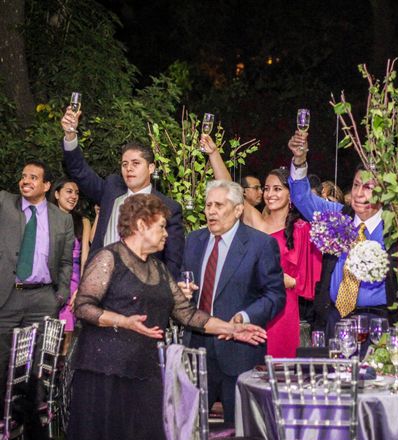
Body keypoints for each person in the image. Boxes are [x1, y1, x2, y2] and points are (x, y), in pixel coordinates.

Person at [59, 194, 267, 440]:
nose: (166, 234)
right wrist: (123, 321)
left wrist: (232, 329)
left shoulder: (157, 268)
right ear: (141, 225)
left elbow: (187, 313)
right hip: (105, 373)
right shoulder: (109, 257)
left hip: (144, 370)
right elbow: (82, 306)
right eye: (160, 227)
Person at [202, 135, 321, 357]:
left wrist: (282, 279)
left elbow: (308, 281)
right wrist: (213, 154)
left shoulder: (302, 229)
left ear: (290, 193)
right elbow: (230, 188)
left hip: (285, 308)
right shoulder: (258, 222)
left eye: (277, 189)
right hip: (253, 305)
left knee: (279, 367)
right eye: (266, 189)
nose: (269, 194)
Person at [181, 180, 286, 424]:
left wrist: (245, 317)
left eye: (219, 205)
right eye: (208, 205)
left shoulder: (260, 245)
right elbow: (182, 281)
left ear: (238, 209)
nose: (211, 211)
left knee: (239, 432)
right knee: (190, 429)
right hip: (195, 348)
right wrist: (181, 290)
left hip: (239, 353)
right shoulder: (193, 241)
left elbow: (275, 295)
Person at [0, 161, 75, 440]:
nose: (25, 180)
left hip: (43, 299)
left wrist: (57, 298)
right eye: (23, 175)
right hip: (7, 297)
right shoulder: (5, 204)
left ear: (47, 186)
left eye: (33, 177)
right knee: (3, 367)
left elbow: (65, 265)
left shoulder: (62, 219)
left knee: (35, 374)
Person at [287, 131, 398, 338]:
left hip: (378, 322)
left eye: (368, 188)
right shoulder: (337, 217)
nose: (358, 193)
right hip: (334, 318)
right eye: (356, 185)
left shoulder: (394, 230)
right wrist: (300, 160)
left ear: (385, 192)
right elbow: (301, 197)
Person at [60, 107, 184, 278]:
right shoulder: (112, 190)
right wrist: (70, 135)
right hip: (100, 280)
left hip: (141, 289)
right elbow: (80, 171)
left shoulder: (168, 207)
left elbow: (173, 262)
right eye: (124, 164)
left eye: (135, 163)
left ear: (151, 168)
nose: (129, 169)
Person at [49, 178, 91, 352]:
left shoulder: (83, 222)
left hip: (73, 280)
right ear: (57, 194)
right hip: (49, 279)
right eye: (69, 191)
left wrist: (80, 288)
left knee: (67, 331)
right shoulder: (45, 218)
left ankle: (62, 374)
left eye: (77, 193)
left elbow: (85, 259)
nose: (74, 196)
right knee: (48, 331)